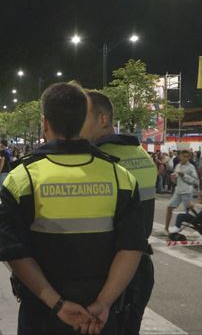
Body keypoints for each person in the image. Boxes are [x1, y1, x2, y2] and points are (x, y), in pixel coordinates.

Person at [0, 83, 146, 335]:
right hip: (99, 319)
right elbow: (131, 247)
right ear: (83, 122)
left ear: (45, 123)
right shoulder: (120, 177)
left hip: (42, 316)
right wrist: (104, 302)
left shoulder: (23, 178)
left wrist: (57, 303)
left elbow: (15, 252)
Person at [81, 90, 157, 335]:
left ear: (102, 119)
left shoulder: (101, 162)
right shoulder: (142, 155)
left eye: (82, 118)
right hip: (140, 269)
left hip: (111, 273)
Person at [164, 150, 198, 234]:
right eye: (184, 156)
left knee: (191, 210)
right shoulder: (178, 166)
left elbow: (194, 180)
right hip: (178, 191)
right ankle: (166, 228)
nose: (185, 158)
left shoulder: (191, 167)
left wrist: (184, 175)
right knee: (169, 207)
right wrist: (173, 179)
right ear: (180, 156)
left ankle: (197, 229)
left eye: (187, 156)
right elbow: (176, 180)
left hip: (187, 191)